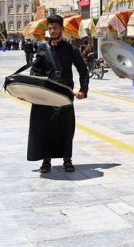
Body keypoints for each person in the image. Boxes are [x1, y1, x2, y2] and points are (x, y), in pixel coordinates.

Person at [27, 14, 89, 174]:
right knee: (44, 127)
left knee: (65, 128)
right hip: (46, 94)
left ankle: (67, 159)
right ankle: (46, 160)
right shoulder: (42, 48)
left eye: (55, 28)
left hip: (64, 94)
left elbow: (83, 70)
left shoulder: (71, 49)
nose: (52, 30)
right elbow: (35, 70)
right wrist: (29, 91)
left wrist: (83, 90)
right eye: (50, 28)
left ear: (62, 29)